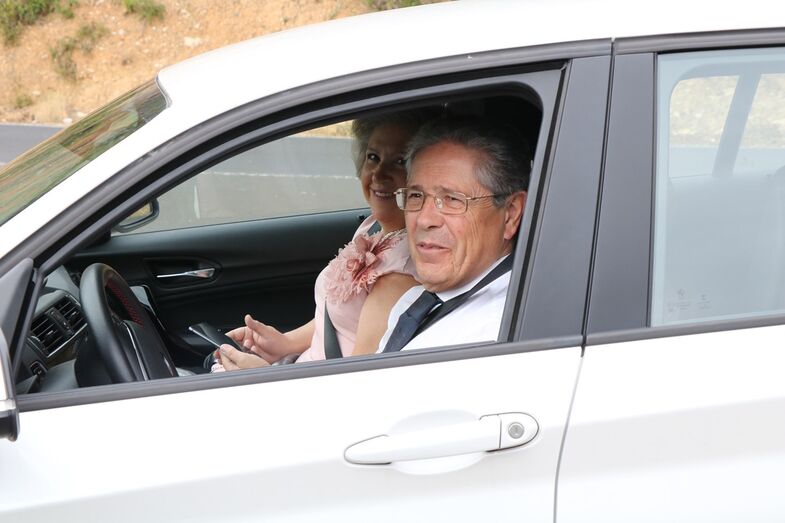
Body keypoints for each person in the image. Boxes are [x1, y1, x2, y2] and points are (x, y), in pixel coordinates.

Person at [216, 109, 434, 370]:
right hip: (302, 370)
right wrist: (283, 343)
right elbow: (340, 317)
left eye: (399, 162)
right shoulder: (374, 227)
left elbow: (356, 381)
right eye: (373, 157)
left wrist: (263, 378)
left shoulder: (400, 275)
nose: (378, 174)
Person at [375, 117, 530, 354]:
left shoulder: (499, 334)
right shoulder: (417, 301)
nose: (425, 219)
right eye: (416, 196)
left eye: (452, 200)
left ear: (510, 215)